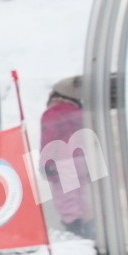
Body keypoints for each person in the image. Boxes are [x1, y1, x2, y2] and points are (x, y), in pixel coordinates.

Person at [40, 76, 94, 239]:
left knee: (65, 196)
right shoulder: (80, 113)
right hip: (82, 159)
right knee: (82, 194)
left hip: (63, 161)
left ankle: (74, 228)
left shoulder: (52, 114)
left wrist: (47, 164)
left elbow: (49, 139)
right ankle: (89, 226)